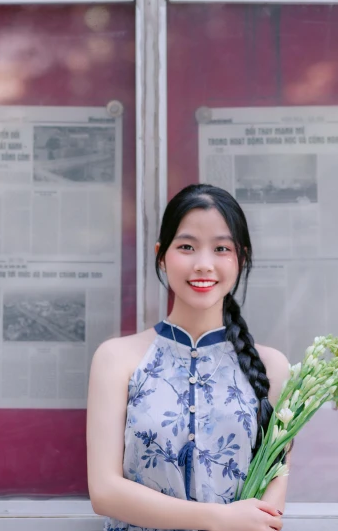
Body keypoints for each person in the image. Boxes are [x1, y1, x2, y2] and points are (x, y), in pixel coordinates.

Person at [87, 184, 290, 531]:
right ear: (161, 256)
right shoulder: (116, 359)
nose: (203, 264)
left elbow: (270, 506)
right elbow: (104, 492)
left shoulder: (273, 368)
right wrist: (219, 518)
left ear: (241, 257)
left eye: (221, 248)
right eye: (186, 247)